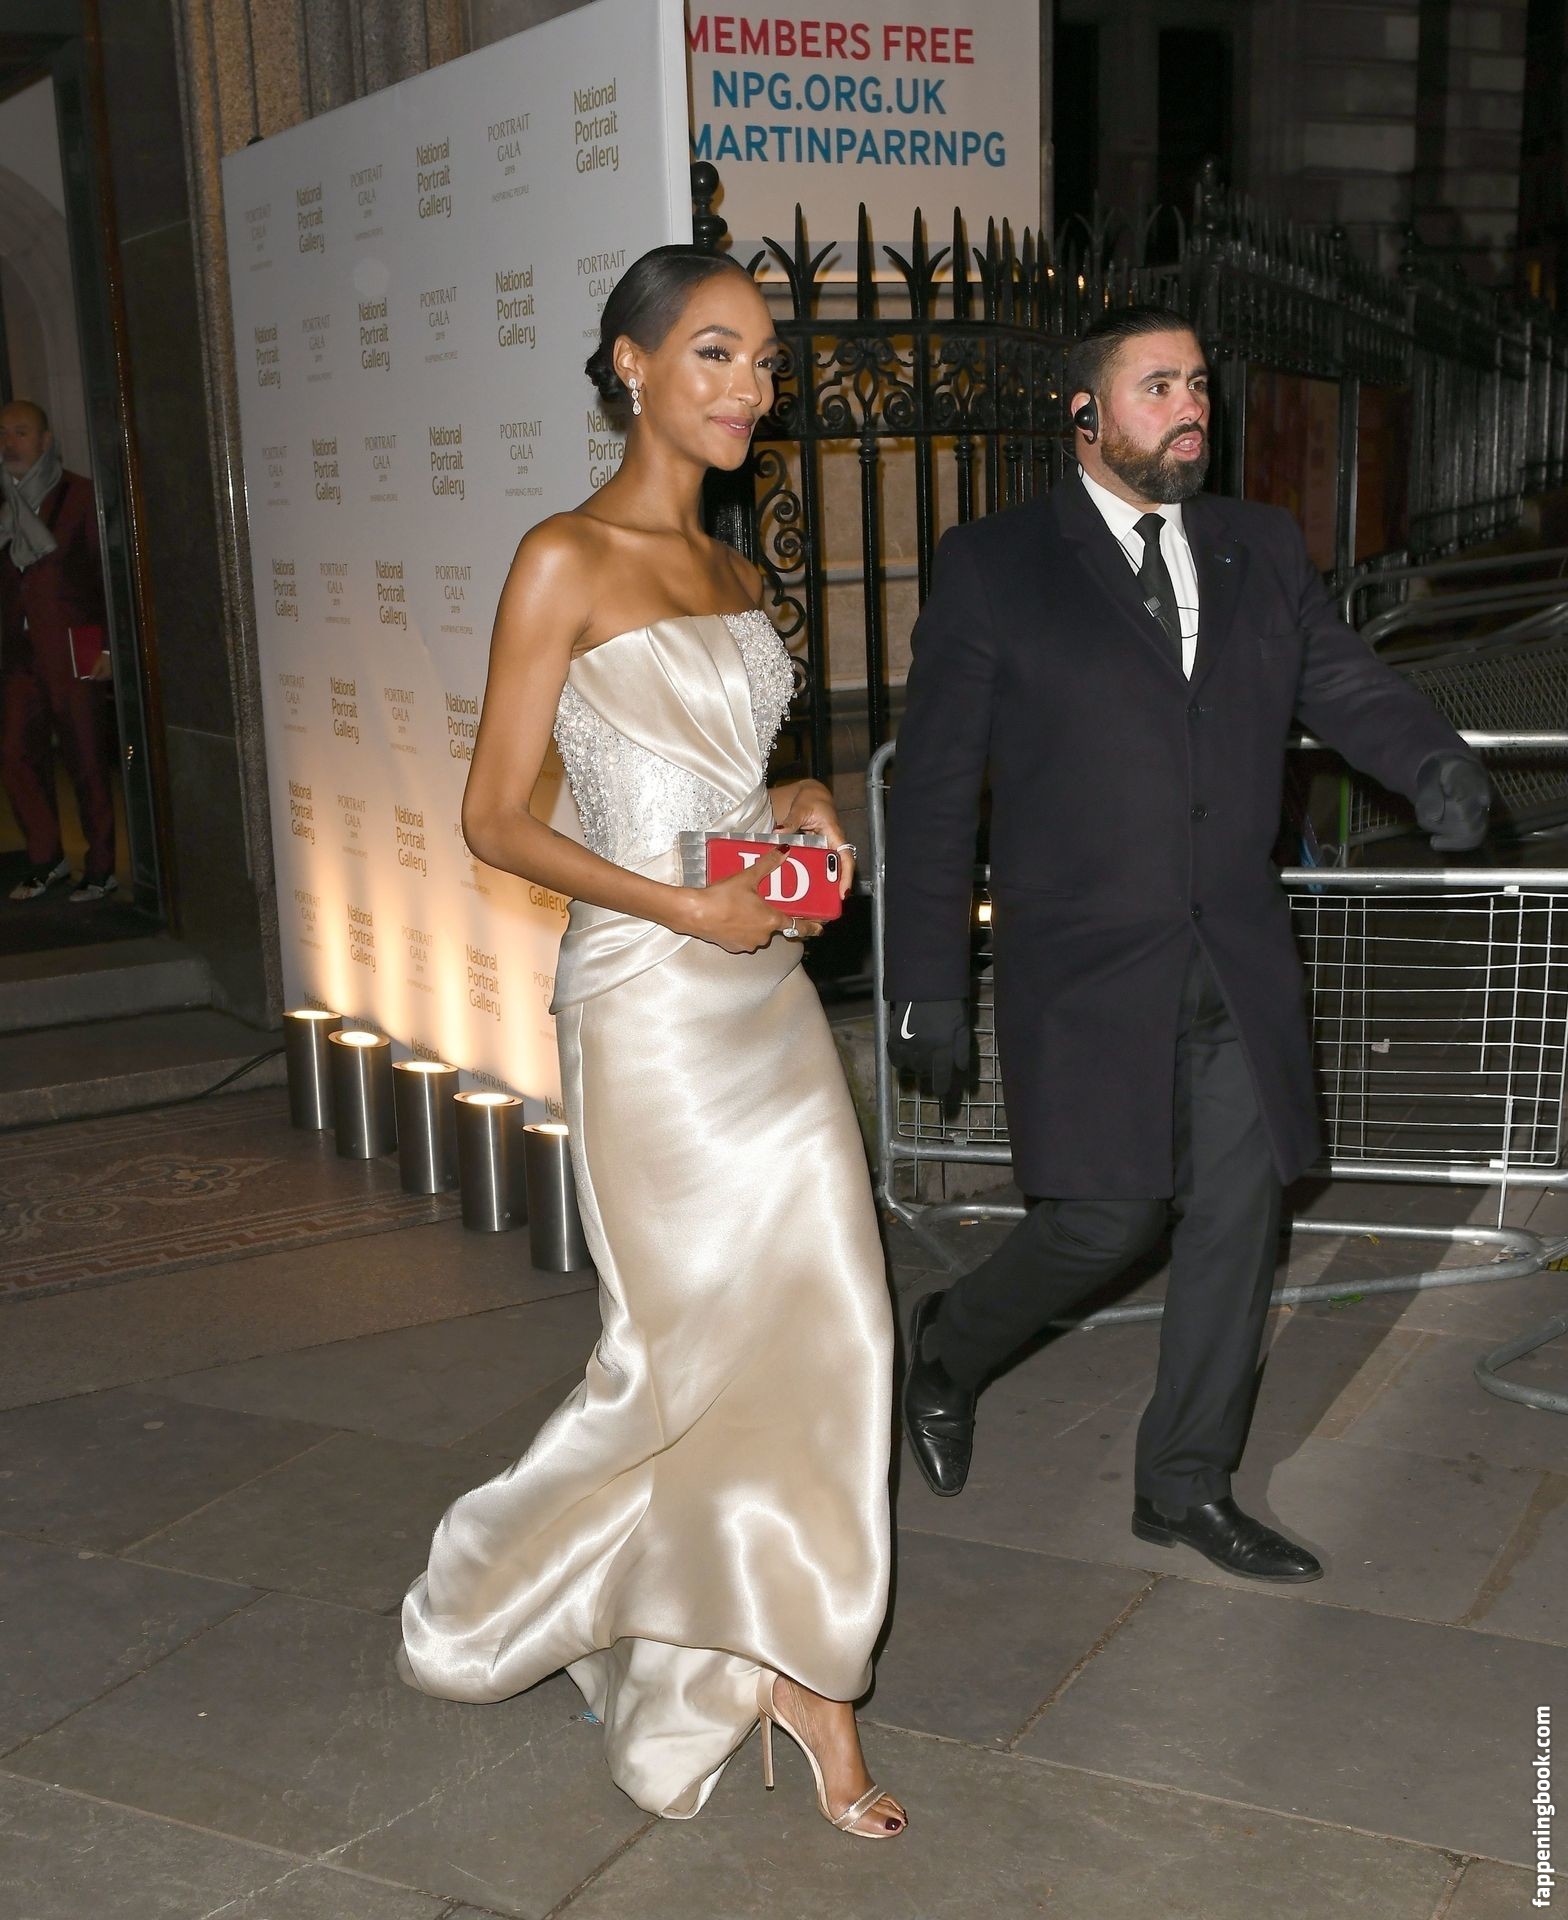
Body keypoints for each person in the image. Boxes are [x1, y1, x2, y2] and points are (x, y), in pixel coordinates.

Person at [398, 247, 905, 1836]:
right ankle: (495, 1591)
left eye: (764, 359)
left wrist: (802, 806)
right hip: (648, 1008)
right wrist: (686, 909)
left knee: (838, 1325)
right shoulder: (563, 558)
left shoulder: (740, 574)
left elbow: (739, 787)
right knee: (676, 1359)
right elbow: (495, 818)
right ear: (631, 365)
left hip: (766, 1002)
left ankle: (805, 1667)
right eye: (714, 352)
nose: (752, 386)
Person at [886, 305, 1489, 1582]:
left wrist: (1430, 761)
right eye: (1154, 386)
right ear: (1083, 416)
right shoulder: (995, 565)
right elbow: (932, 790)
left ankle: (1183, 1483)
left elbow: (1340, 678)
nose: (1189, 406)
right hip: (1084, 966)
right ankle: (946, 1345)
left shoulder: (1255, 544)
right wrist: (926, 979)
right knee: (1103, 1222)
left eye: (1197, 383)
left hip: (1234, 952)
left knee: (1235, 1218)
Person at [0, 399, 116, 903]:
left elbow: (106, 574)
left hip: (76, 643)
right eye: (3, 433)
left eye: (21, 432)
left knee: (85, 756)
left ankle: (102, 867)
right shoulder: (3, 502)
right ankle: (46, 858)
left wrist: (108, 645)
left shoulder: (79, 495)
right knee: (15, 754)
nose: (9, 442)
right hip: (18, 651)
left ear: (46, 441)